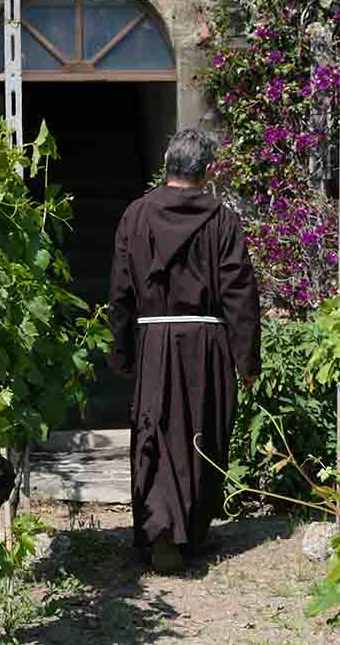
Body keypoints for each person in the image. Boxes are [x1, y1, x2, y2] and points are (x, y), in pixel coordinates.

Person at [107, 128, 261, 572]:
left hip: (154, 341)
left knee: (154, 429)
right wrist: (246, 360)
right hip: (206, 346)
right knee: (202, 429)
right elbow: (239, 293)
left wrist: (122, 352)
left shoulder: (136, 215)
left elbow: (120, 291)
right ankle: (190, 530)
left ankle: (160, 530)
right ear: (207, 169)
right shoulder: (221, 221)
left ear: (168, 165)